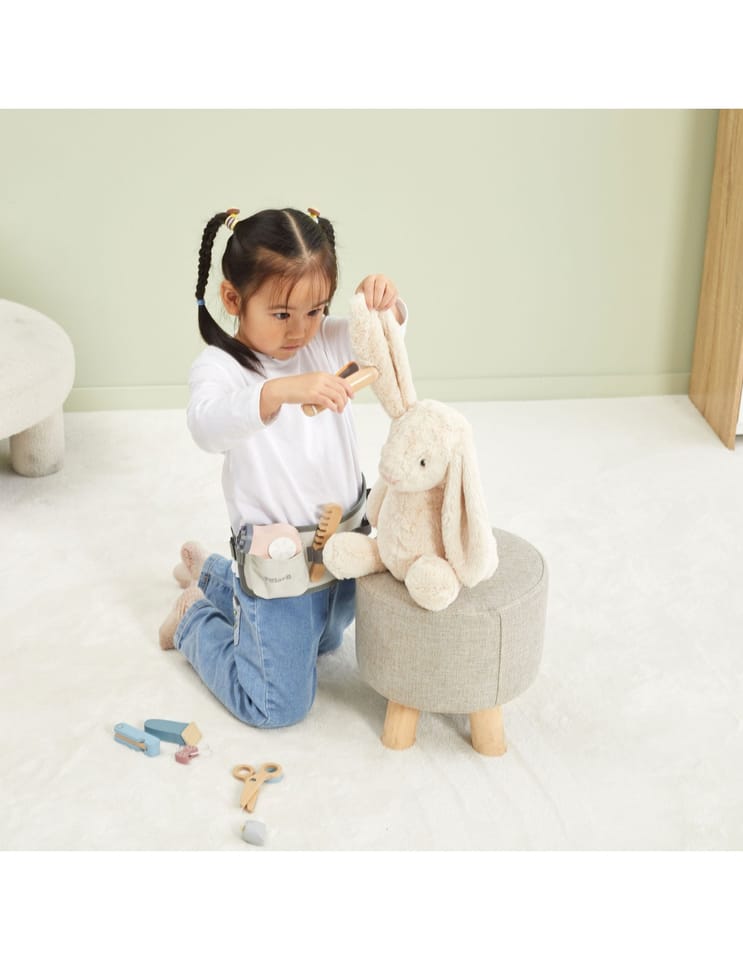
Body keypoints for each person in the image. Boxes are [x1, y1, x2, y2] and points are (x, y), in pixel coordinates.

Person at [158, 206, 406, 728]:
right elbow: (205, 426)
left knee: (328, 640)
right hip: (280, 565)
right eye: (281, 314)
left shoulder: (324, 339)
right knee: (275, 705)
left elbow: (382, 340)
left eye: (316, 310)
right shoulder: (220, 367)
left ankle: (210, 573)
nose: (301, 331)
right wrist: (277, 392)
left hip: (345, 546)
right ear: (233, 300)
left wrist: (383, 304)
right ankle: (192, 618)